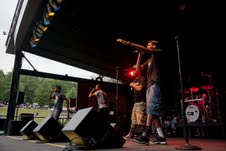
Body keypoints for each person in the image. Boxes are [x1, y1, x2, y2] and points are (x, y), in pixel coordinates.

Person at [117, 38, 166, 145]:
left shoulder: (158, 53)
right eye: (147, 45)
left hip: (155, 83)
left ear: (154, 46)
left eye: (149, 45)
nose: (147, 47)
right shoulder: (149, 60)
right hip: (149, 85)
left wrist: (129, 43)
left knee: (151, 110)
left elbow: (146, 49)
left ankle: (145, 135)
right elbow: (138, 68)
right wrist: (139, 54)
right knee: (154, 114)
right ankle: (161, 136)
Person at [123, 67, 147, 139]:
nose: (133, 71)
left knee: (141, 120)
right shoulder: (135, 79)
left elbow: (139, 88)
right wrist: (133, 84)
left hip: (141, 102)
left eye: (135, 69)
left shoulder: (142, 78)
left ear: (139, 71)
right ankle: (131, 134)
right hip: (136, 102)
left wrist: (132, 84)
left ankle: (145, 135)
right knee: (133, 119)